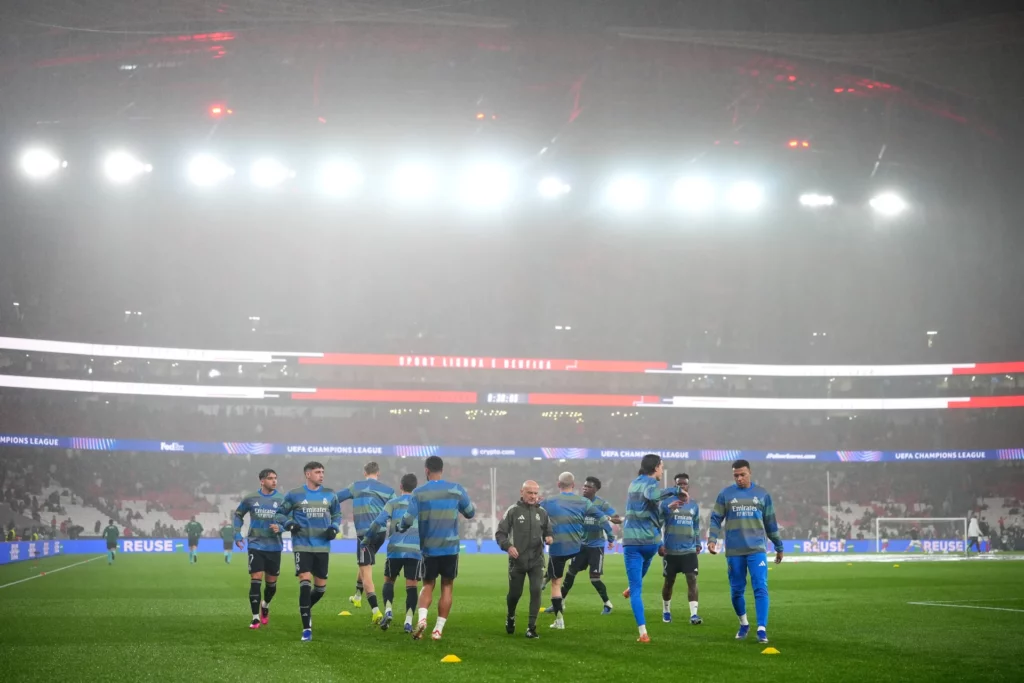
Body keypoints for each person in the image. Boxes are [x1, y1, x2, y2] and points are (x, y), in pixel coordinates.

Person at [398, 455, 475, 641]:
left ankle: (423, 619)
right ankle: (438, 630)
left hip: (429, 548)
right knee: (447, 586)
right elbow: (470, 512)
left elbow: (407, 519)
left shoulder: (418, 492)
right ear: (442, 469)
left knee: (427, 585)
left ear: (426, 470)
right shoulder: (455, 489)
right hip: (450, 548)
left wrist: (400, 527)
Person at [708, 458, 783, 645]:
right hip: (734, 551)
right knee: (736, 591)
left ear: (750, 473)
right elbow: (716, 518)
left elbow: (770, 523)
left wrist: (778, 546)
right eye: (736, 475)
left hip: (757, 549)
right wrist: (712, 539)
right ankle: (744, 624)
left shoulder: (762, 494)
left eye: (742, 475)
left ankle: (762, 628)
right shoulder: (726, 494)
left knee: (760, 587)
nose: (739, 478)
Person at [275, 461, 341, 642]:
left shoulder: (330, 494)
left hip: (322, 547)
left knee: (320, 589)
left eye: (323, 472)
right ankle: (307, 629)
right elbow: (279, 514)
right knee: (304, 580)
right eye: (318, 472)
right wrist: (289, 524)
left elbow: (337, 514)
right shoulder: (294, 494)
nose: (321, 475)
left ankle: (304, 608)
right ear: (308, 474)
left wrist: (334, 527)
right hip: (302, 546)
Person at [622, 454, 685, 643]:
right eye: (662, 467)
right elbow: (652, 496)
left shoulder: (633, 484)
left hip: (634, 542)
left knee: (636, 589)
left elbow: (651, 510)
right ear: (656, 467)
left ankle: (643, 633)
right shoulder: (650, 484)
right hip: (650, 543)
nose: (662, 470)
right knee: (639, 580)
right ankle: (631, 588)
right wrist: (676, 490)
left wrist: (667, 508)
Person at [539, 472, 612, 630]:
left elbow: (535, 516)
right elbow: (602, 517)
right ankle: (545, 578)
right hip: (577, 547)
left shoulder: (549, 501)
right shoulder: (583, 502)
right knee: (570, 574)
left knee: (556, 583)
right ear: (574, 485)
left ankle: (559, 620)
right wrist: (611, 536)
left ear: (558, 484)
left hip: (558, 548)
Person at [337, 461, 395, 624]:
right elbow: (397, 508)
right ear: (378, 473)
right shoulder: (388, 491)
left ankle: (376, 611)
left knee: (366, 569)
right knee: (364, 563)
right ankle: (357, 596)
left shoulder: (356, 486)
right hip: (381, 534)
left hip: (364, 535)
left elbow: (337, 498)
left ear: (364, 473)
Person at [364, 473, 422, 633]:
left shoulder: (393, 502)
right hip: (415, 550)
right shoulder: (420, 503)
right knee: (412, 585)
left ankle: (388, 610)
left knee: (389, 581)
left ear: (401, 487)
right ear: (415, 488)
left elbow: (379, 521)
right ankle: (408, 621)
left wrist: (367, 538)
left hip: (395, 548)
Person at [495, 480, 552, 639]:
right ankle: (511, 615)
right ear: (522, 492)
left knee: (536, 590)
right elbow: (500, 534)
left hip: (536, 560)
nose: (533, 496)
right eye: (530, 493)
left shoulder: (542, 512)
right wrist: (508, 546)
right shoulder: (513, 511)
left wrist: (549, 537)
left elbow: (548, 530)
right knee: (515, 594)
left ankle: (531, 628)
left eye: (535, 493)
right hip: (517, 561)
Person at [233, 468, 285, 629]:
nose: (274, 481)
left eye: (275, 478)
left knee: (271, 585)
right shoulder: (250, 498)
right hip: (256, 545)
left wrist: (281, 528)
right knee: (255, 580)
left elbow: (291, 520)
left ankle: (265, 604)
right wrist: (237, 533)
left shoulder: (282, 499)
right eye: (270, 478)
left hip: (274, 546)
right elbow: (238, 515)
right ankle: (255, 617)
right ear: (262, 481)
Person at [558, 476, 618, 615]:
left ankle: (607, 604)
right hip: (580, 545)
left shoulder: (602, 504)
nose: (585, 488)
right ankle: (559, 602)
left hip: (596, 546)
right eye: (584, 486)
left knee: (595, 579)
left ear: (596, 489)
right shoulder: (578, 502)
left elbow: (618, 519)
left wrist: (606, 518)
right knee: (570, 573)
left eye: (589, 487)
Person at [660, 473, 702, 625]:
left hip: (689, 550)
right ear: (675, 485)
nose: (682, 486)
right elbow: (658, 523)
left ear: (688, 486)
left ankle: (694, 615)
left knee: (692, 579)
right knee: (669, 582)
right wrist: (660, 544)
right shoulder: (666, 503)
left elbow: (696, 526)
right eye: (679, 484)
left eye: (684, 484)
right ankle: (666, 611)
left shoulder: (694, 505)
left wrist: (697, 542)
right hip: (670, 551)